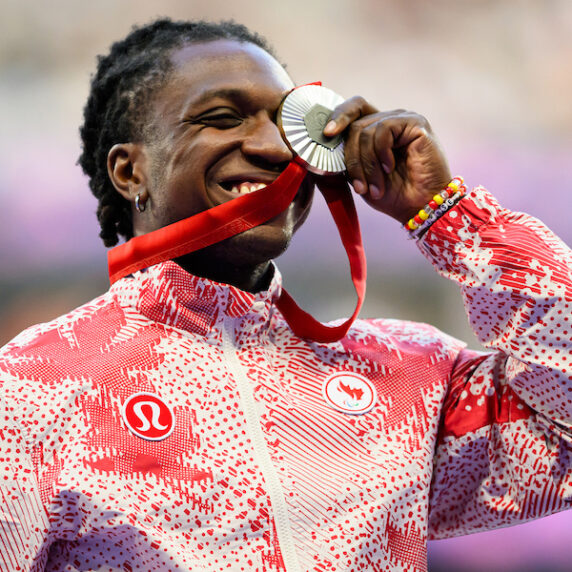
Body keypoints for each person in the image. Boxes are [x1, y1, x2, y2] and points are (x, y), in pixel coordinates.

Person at [0, 17, 570, 572]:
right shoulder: (34, 390)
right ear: (130, 172)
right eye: (222, 118)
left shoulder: (409, 379)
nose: (276, 149)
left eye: (290, 124)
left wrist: (447, 214)